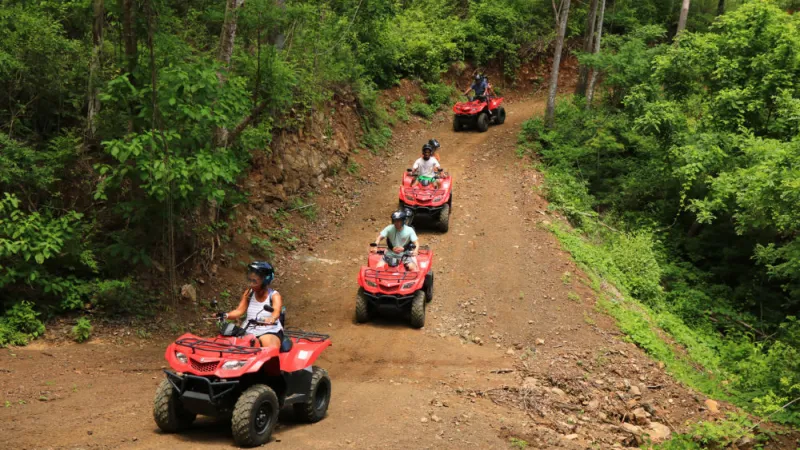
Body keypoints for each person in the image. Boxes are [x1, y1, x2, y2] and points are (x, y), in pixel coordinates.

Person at [222, 261, 284, 349]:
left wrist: (269, 319)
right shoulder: (248, 293)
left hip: (269, 331)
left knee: (268, 345)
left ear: (265, 280)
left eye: (254, 281)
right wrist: (226, 315)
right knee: (227, 342)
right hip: (248, 330)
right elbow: (239, 311)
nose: (251, 284)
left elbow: (276, 313)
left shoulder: (274, 295)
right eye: (250, 280)